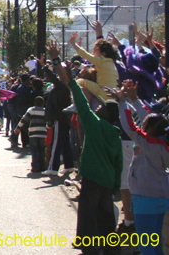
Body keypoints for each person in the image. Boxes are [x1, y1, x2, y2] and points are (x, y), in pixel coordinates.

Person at [54, 51, 123, 254]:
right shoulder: (116, 134)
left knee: (87, 212)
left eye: (102, 107)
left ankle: (87, 245)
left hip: (92, 177)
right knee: (106, 215)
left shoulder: (94, 124)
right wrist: (116, 183)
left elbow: (79, 98)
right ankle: (111, 248)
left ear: (106, 113)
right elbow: (118, 162)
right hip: (109, 180)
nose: (99, 108)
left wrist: (60, 66)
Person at [117, 79, 169, 255]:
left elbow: (130, 127)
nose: (142, 125)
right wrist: (135, 99)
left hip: (145, 199)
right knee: (156, 243)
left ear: (150, 130)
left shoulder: (147, 143)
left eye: (145, 125)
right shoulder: (162, 142)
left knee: (146, 245)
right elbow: (150, 118)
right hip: (161, 197)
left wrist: (122, 102)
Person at [41, 45, 75, 176]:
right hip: (63, 117)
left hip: (59, 117)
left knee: (56, 142)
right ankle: (69, 165)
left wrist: (44, 66)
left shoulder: (63, 85)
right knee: (65, 142)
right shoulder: (66, 86)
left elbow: (53, 78)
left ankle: (53, 168)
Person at [70, 21, 119, 90]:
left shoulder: (101, 60)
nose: (92, 54)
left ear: (103, 54)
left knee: (79, 81)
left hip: (104, 92)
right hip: (114, 92)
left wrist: (73, 43)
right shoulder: (110, 62)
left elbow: (85, 55)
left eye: (95, 51)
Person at [14, 96, 47, 173]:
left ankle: (35, 166)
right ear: (43, 103)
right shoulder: (45, 111)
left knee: (34, 150)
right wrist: (47, 128)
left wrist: (18, 128)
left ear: (34, 103)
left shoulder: (31, 110)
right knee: (42, 150)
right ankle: (43, 166)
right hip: (42, 133)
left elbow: (24, 119)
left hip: (33, 133)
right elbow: (48, 122)